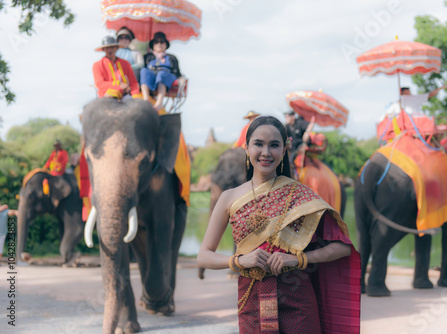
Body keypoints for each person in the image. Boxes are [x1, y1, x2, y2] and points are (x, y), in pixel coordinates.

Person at [197, 116, 360, 333]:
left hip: (298, 301)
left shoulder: (301, 196)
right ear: (246, 148)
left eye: (274, 145)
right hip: (251, 302)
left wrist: (298, 259)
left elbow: (342, 247)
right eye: (258, 144)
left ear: (284, 150)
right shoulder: (229, 198)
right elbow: (204, 255)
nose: (266, 152)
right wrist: (240, 260)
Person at [140, 32, 182, 111]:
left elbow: (177, 73)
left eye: (162, 42)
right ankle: (146, 99)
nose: (159, 44)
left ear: (165, 44)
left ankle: (159, 102)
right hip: (152, 75)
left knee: (162, 74)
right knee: (144, 71)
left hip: (166, 76)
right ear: (153, 45)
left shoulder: (171, 57)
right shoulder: (148, 57)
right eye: (156, 42)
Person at [92, 35, 140, 100]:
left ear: (117, 48)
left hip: (126, 95)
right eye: (107, 48)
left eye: (112, 47)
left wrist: (135, 95)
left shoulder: (125, 63)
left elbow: (133, 83)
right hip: (107, 95)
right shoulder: (97, 65)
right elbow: (100, 84)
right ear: (103, 49)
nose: (110, 50)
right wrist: (118, 85)